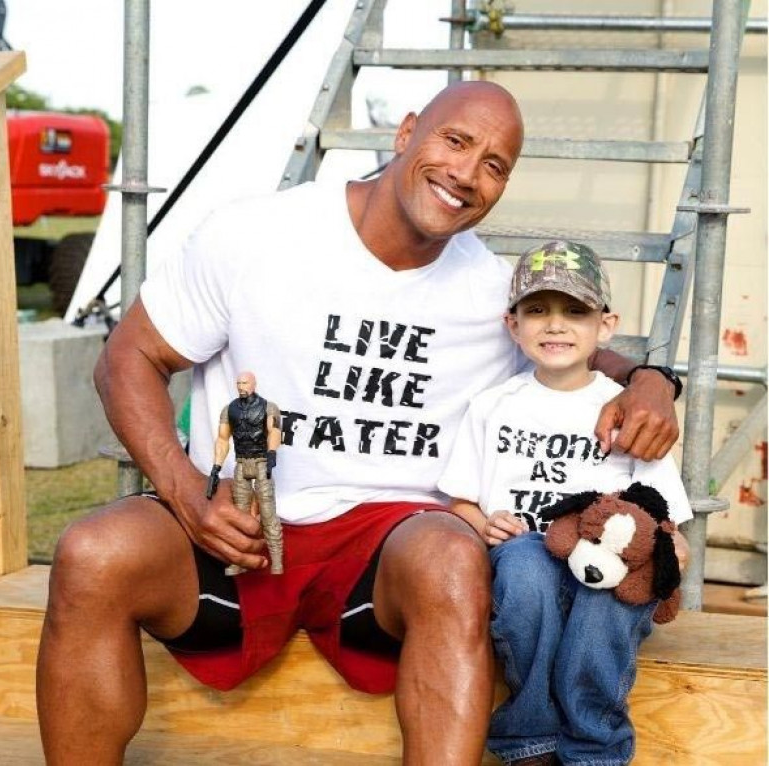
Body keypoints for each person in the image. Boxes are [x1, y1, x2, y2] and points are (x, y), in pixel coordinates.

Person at [36, 82, 681, 766]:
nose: (467, 173)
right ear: (405, 132)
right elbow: (128, 358)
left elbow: (581, 350)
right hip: (239, 521)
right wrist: (187, 493)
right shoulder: (255, 233)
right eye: (455, 141)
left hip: (384, 551)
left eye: (494, 165)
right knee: (91, 553)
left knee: (452, 558)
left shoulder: (493, 293)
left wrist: (651, 380)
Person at [437, 240, 692, 766]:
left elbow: (665, 519)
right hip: (526, 562)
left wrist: (670, 554)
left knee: (609, 585)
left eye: (575, 311)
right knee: (526, 563)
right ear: (513, 325)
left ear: (606, 325)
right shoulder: (492, 406)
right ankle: (531, 740)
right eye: (537, 310)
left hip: (607, 571)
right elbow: (460, 503)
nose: (555, 325)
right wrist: (485, 524)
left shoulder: (625, 410)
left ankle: (595, 747)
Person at [209, 371, 283, 575]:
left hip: (261, 462)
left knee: (267, 512)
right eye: (238, 383)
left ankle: (277, 561)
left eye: (245, 383)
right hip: (241, 463)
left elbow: (275, 431)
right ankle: (238, 561)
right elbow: (222, 439)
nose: (241, 387)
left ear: (253, 384)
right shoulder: (229, 410)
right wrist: (216, 467)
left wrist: (272, 453)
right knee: (240, 514)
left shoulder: (268, 407)